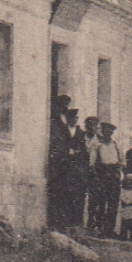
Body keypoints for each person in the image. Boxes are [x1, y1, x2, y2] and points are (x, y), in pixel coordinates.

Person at [89, 120, 123, 236]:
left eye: (110, 131)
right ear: (102, 131)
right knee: (101, 202)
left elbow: (122, 160)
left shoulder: (115, 144)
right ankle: (100, 228)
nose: (108, 132)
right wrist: (96, 176)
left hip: (113, 175)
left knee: (113, 203)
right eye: (105, 130)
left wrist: (118, 171)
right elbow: (92, 163)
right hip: (101, 174)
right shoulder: (96, 144)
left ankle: (110, 229)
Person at [46, 94, 74, 230]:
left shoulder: (62, 121)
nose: (65, 108)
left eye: (66, 105)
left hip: (63, 163)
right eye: (63, 105)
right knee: (56, 191)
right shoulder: (53, 121)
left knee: (63, 192)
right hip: (56, 163)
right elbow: (55, 141)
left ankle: (60, 221)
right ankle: (55, 221)